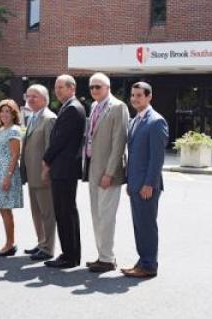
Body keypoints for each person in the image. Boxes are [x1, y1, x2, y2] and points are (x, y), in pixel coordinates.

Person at [83, 72, 129, 272]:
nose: (94, 90)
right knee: (96, 214)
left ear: (108, 88)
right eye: (91, 87)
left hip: (108, 172)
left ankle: (108, 258)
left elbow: (119, 143)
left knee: (107, 215)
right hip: (93, 168)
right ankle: (102, 255)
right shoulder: (94, 106)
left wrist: (110, 172)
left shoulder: (118, 107)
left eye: (98, 87)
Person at [122, 82, 168, 278]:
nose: (135, 99)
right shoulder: (135, 121)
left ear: (149, 97)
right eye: (133, 95)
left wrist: (149, 183)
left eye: (139, 95)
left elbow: (157, 158)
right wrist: (130, 181)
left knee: (147, 225)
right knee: (139, 225)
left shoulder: (156, 121)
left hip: (147, 186)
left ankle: (149, 265)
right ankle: (143, 261)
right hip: (135, 184)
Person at [42, 74, 86, 269]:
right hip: (64, 168)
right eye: (56, 87)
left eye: (61, 87)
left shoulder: (72, 109)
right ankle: (71, 254)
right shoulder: (69, 107)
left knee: (65, 212)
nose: (57, 91)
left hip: (64, 168)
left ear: (72, 88)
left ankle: (69, 256)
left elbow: (59, 140)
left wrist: (46, 159)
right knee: (66, 212)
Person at [20, 84, 57, 261]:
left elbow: (51, 148)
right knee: (36, 212)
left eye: (34, 96)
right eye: (28, 96)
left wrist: (46, 171)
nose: (30, 99)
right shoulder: (32, 117)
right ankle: (41, 242)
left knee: (47, 213)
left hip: (42, 174)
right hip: (31, 174)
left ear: (44, 99)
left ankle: (48, 248)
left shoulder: (49, 118)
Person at [0, 99, 23, 257]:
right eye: (2, 111)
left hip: (7, 172)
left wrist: (7, 176)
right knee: (2, 209)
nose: (4, 114)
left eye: (7, 111)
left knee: (6, 209)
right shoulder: (2, 129)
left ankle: (10, 244)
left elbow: (15, 154)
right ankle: (9, 242)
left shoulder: (14, 130)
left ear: (13, 114)